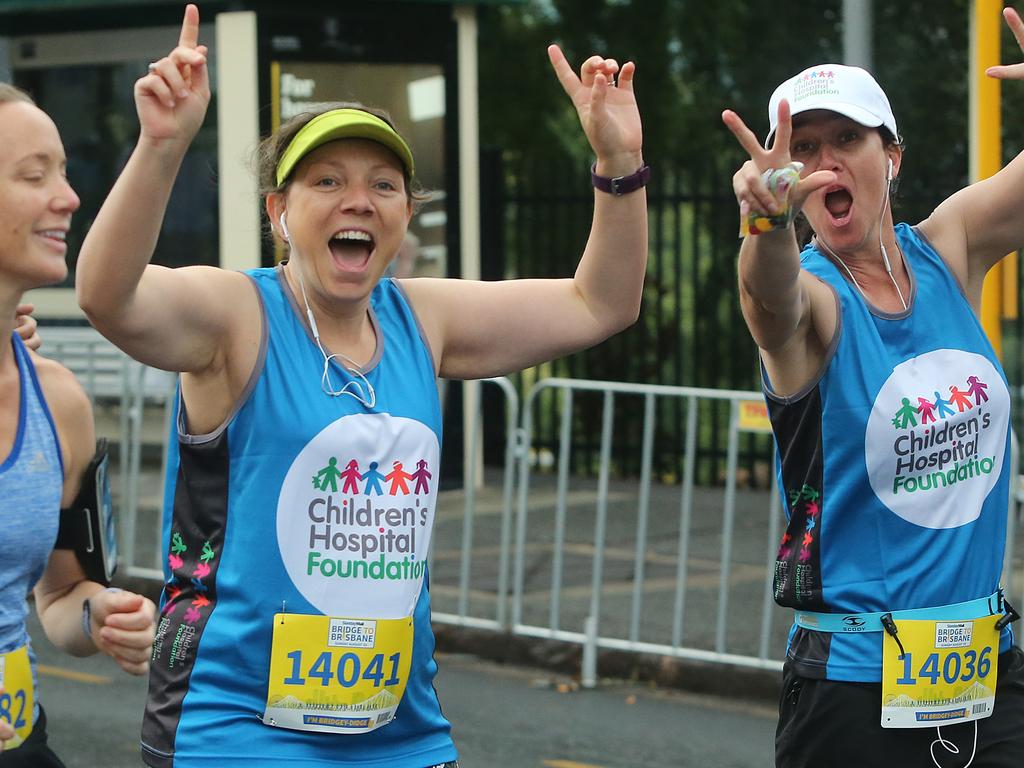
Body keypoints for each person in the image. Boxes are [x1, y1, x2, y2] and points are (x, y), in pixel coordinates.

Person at [74, 5, 646, 767]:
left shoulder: (423, 318)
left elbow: (601, 302)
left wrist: (619, 162)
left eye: (384, 185)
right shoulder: (237, 315)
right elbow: (107, 295)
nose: (359, 200)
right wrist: (162, 144)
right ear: (279, 211)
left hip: (399, 734)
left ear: (405, 215)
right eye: (327, 181)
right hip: (236, 731)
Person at [722, 7, 1024, 768]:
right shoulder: (818, 297)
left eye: (848, 141)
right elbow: (771, 301)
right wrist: (763, 227)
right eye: (807, 148)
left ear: (891, 157)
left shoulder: (947, 249)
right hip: (854, 691)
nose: (826, 164)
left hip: (986, 674)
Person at [0, 82, 157, 766]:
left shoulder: (59, 402)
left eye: (63, 172)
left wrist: (103, 613)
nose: (68, 197)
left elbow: (61, 593)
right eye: (35, 176)